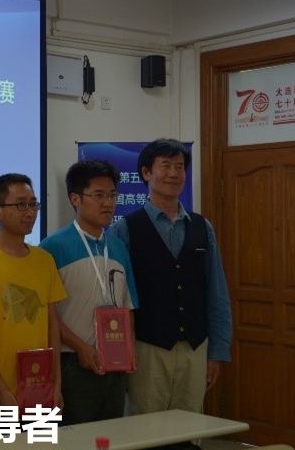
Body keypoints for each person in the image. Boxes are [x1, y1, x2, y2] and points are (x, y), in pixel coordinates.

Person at [106, 138, 233, 421]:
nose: (174, 174)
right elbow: (115, 298)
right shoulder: (125, 229)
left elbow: (216, 292)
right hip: (146, 348)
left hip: (195, 347)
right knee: (146, 427)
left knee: (189, 428)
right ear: (146, 173)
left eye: (179, 167)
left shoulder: (202, 227)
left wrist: (218, 351)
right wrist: (121, 351)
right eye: (165, 166)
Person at [39, 160, 139, 425]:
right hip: (73, 362)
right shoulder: (51, 248)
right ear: (75, 199)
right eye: (98, 195)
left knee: (112, 435)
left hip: (115, 362)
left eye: (112, 195)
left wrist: (129, 348)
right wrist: (80, 347)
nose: (108, 203)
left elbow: (127, 305)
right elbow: (47, 315)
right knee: (76, 437)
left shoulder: (118, 247)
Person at [0, 173, 66, 414]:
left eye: (33, 204)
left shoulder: (44, 260)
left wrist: (56, 384)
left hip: (38, 388)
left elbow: (52, 326)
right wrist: (1, 390)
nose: (30, 213)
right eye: (21, 205)